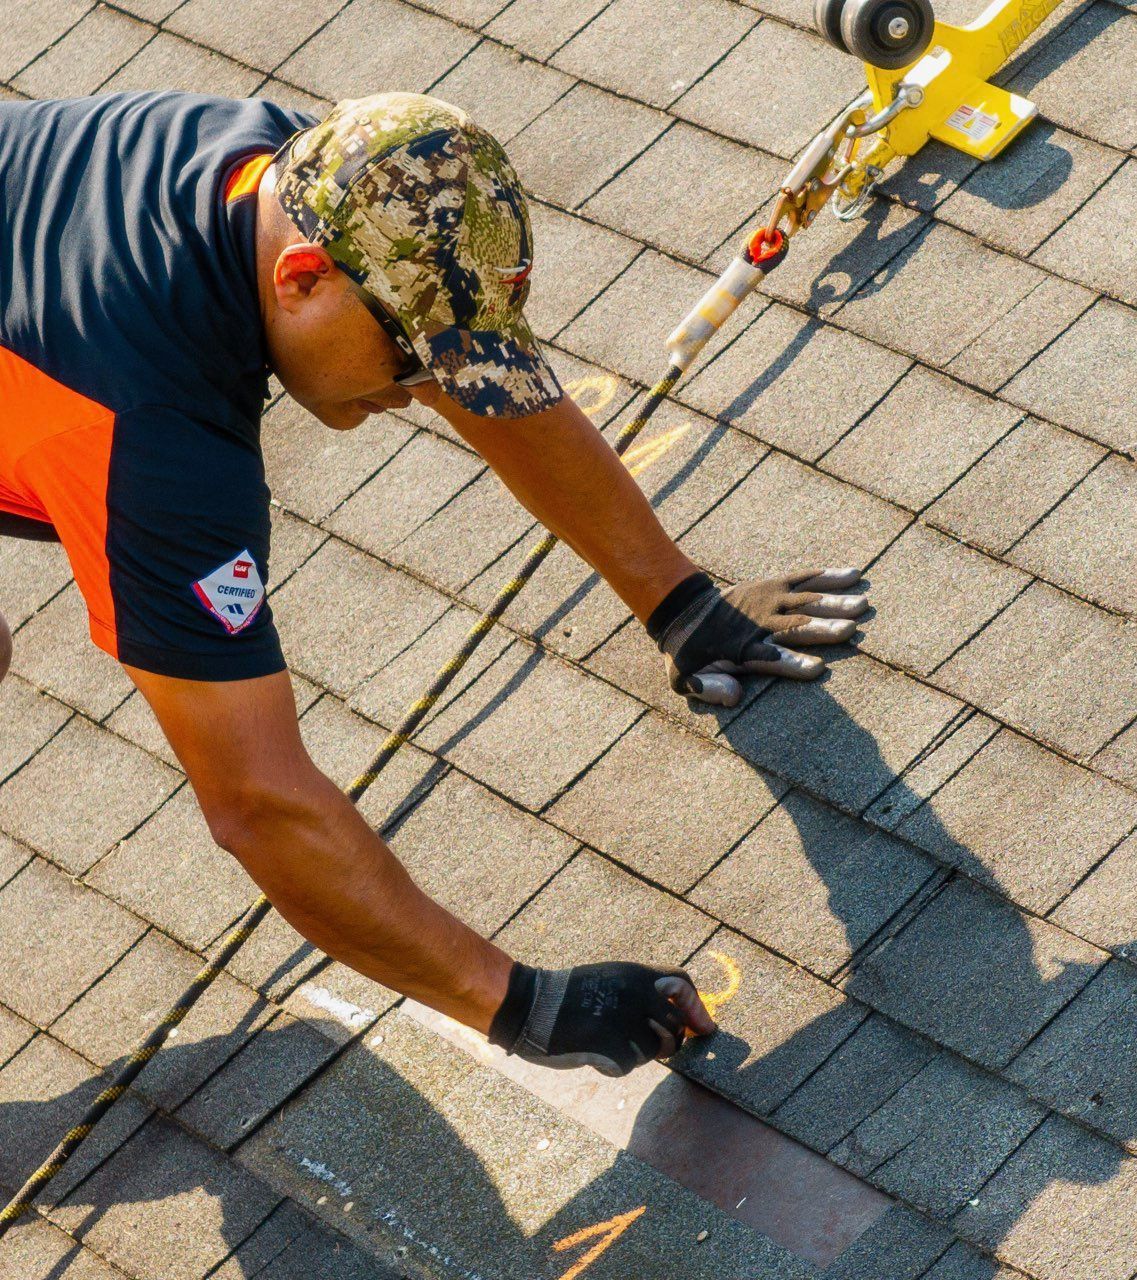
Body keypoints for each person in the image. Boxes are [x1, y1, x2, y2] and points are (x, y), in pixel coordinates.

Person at [0, 90, 868, 1076]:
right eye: (410, 364)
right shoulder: (150, 441)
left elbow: (463, 351)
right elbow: (257, 801)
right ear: (302, 280)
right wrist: (526, 1006)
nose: (421, 397)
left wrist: (681, 602)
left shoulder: (319, 178)